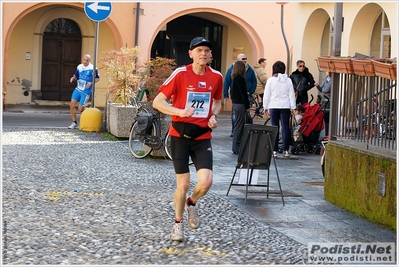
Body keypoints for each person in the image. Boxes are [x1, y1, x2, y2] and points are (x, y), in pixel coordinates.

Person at [153, 37, 223, 242]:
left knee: (207, 182)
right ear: (191, 53)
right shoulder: (180, 74)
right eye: (199, 50)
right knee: (183, 185)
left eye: (207, 51)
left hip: (202, 136)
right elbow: (158, 102)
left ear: (211, 55)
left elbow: (218, 102)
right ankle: (178, 224)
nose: (203, 54)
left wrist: (214, 116)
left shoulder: (216, 77)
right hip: (180, 137)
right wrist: (180, 111)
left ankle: (191, 203)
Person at [263, 61, 296, 157]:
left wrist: (265, 107)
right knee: (285, 127)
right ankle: (286, 150)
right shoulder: (288, 80)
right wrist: (293, 107)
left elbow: (267, 95)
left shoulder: (271, 80)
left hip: (273, 105)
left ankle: (274, 150)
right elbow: (291, 95)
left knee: (274, 127)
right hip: (285, 106)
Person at [223, 53, 257, 137]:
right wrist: (225, 94)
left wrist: (251, 91)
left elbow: (254, 81)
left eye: (245, 58)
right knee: (235, 113)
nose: (244, 60)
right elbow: (226, 81)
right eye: (242, 59)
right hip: (236, 95)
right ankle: (235, 130)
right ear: (238, 60)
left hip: (247, 94)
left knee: (246, 113)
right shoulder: (231, 69)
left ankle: (243, 130)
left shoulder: (250, 69)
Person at [68, 54, 100, 129]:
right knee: (72, 105)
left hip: (86, 91)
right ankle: (74, 122)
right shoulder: (79, 67)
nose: (85, 62)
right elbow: (76, 75)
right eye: (84, 60)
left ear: (90, 60)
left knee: (80, 109)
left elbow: (98, 78)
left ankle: (90, 113)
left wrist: (91, 83)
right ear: (82, 59)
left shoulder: (93, 68)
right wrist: (73, 78)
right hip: (78, 89)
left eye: (87, 60)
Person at [230, 60, 250, 154]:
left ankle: (236, 146)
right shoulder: (240, 79)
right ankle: (236, 147)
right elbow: (243, 94)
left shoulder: (234, 78)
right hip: (240, 104)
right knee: (239, 126)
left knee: (238, 125)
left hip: (235, 103)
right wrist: (247, 105)